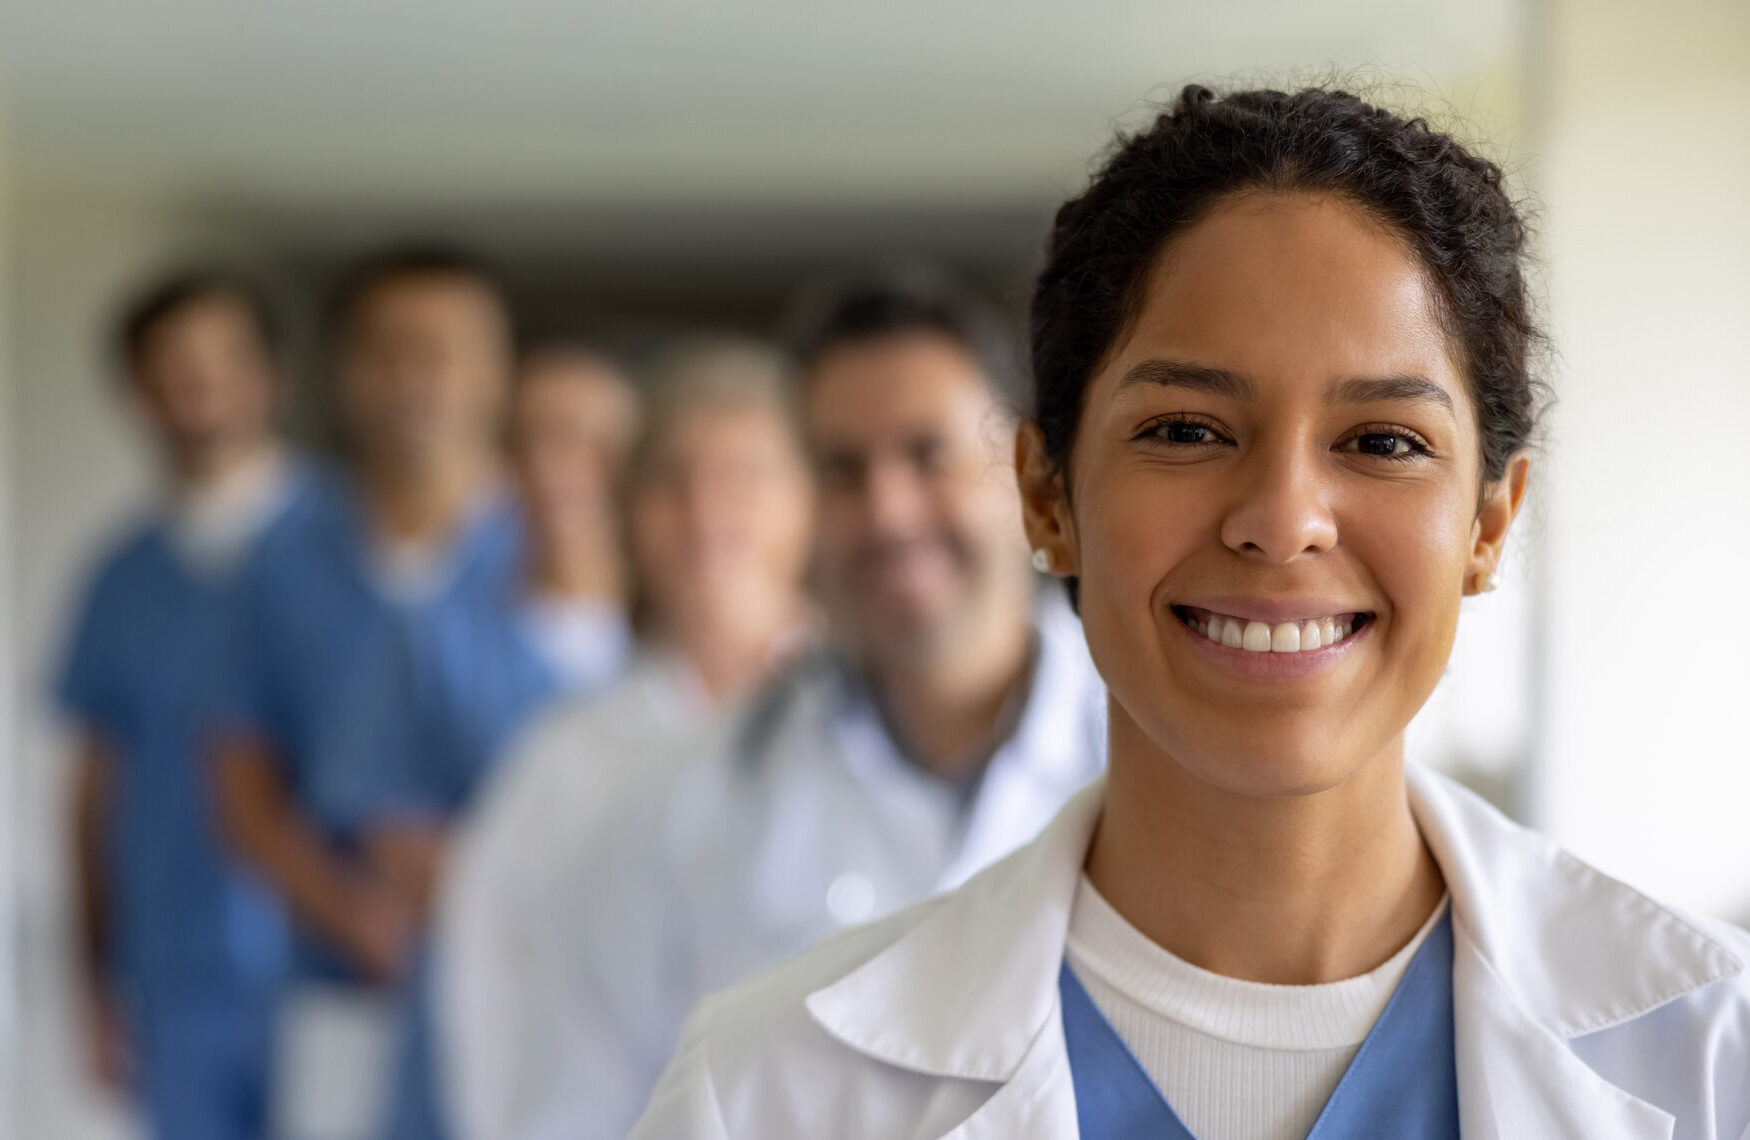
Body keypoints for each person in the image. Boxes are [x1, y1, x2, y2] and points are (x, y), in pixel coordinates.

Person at [632, 86, 1750, 1139]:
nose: (1280, 520)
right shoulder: (769, 1091)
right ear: (1045, 495)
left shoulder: (1714, 1056)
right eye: (1184, 430)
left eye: (1382, 443)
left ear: (1489, 527)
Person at [555, 268, 1109, 1139]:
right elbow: (582, 1110)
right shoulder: (683, 806)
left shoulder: (1153, 759)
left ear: (1028, 477)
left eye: (929, 456)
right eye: (842, 470)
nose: (887, 511)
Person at [434, 337, 815, 1140]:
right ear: (631, 510)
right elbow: (491, 994)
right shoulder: (566, 757)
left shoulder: (876, 727)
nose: (707, 513)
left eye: (745, 477)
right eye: (673, 481)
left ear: (808, 501)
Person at [211, 247, 548, 1140]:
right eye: (385, 350)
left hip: (532, 970)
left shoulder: (555, 549)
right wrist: (350, 914)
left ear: (495, 370)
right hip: (343, 973)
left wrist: (479, 884)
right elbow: (240, 777)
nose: (413, 378)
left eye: (443, 350)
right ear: (343, 373)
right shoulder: (282, 563)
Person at [56, 268, 315, 1140]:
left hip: (330, 961)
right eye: (171, 367)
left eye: (220, 362)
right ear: (135, 393)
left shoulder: (347, 546)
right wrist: (92, 979)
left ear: (271, 379)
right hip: (176, 971)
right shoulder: (122, 579)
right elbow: (96, 786)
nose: (198, 388)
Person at [506, 341, 642, 692]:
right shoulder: (441, 634)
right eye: (528, 441)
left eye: (594, 443)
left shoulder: (684, 621)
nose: (552, 470)